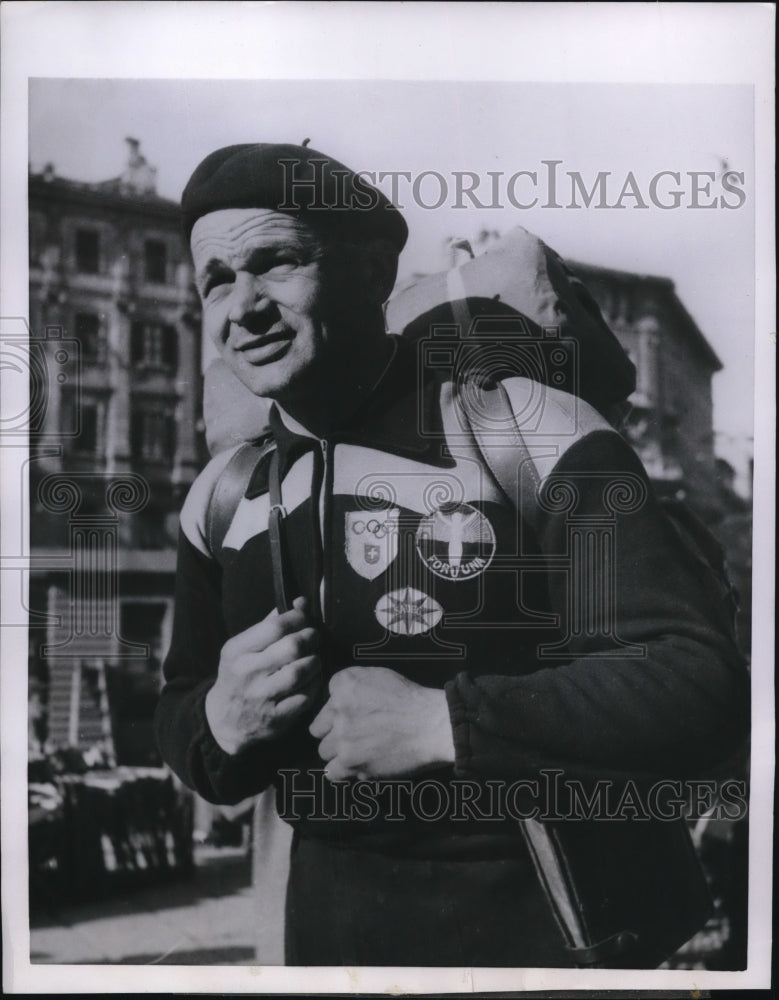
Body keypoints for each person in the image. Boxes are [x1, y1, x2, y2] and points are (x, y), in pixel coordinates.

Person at [155, 142, 748, 967]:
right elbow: (181, 708)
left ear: (371, 272)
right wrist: (221, 718)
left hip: (544, 930)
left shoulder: (522, 429)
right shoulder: (222, 497)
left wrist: (445, 724)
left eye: (276, 263)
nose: (243, 305)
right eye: (216, 279)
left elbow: (697, 678)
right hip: (325, 938)